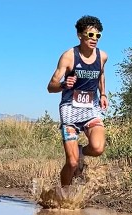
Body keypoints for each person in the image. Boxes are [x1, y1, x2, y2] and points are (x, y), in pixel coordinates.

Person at [47, 15, 108, 187]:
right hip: (69, 109)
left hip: (91, 108)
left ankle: (81, 151)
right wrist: (63, 84)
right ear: (80, 35)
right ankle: (64, 194)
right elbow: (50, 86)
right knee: (72, 163)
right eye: (90, 35)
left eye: (98, 36)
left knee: (97, 148)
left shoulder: (102, 56)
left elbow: (101, 74)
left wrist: (103, 94)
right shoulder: (69, 57)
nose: (94, 39)